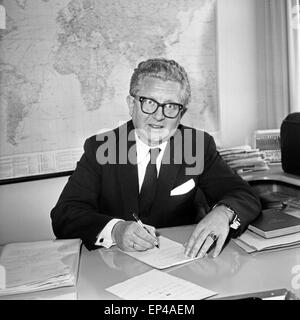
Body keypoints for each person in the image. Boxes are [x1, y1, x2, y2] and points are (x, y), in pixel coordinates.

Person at [51, 58, 261, 259]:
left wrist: (225, 213)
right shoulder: (101, 148)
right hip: (113, 264)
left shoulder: (197, 145)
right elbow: (65, 214)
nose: (159, 116)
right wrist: (115, 230)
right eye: (149, 102)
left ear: (181, 113)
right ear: (131, 104)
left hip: (181, 262)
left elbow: (244, 194)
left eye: (171, 106)